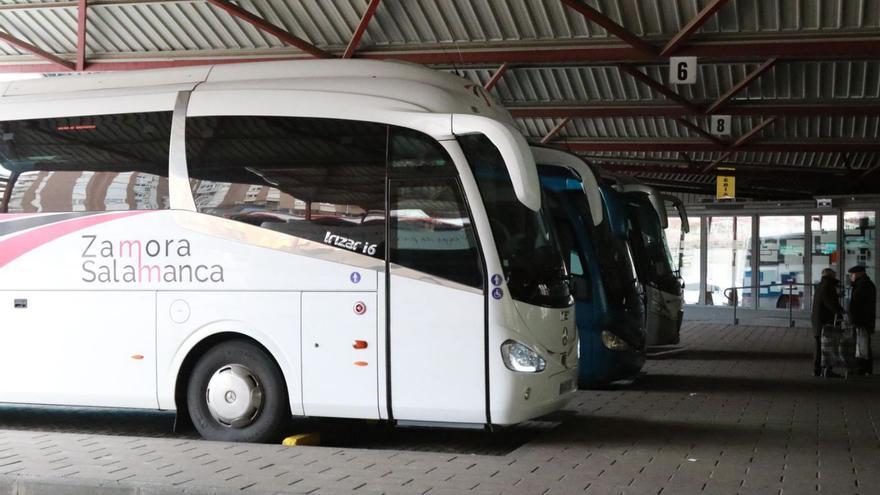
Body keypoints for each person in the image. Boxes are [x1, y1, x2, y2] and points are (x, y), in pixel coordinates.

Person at [812, 268, 845, 376]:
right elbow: (830, 303)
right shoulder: (828, 287)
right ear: (831, 276)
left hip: (818, 320)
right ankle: (825, 370)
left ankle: (817, 370)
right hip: (825, 321)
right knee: (827, 346)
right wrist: (842, 312)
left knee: (819, 346)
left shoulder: (821, 285)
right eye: (834, 275)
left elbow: (825, 299)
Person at [848, 265, 876, 375]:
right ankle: (866, 368)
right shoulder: (864, 284)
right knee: (863, 344)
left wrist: (853, 319)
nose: (851, 277)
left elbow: (856, 305)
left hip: (862, 321)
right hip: (864, 320)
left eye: (852, 274)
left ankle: (863, 368)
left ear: (860, 273)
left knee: (862, 345)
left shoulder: (863, 286)